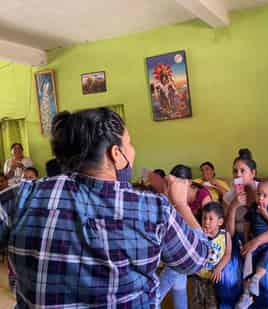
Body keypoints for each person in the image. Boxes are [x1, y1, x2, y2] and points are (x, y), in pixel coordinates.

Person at [0, 107, 210, 308]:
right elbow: (198, 259)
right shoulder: (152, 210)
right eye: (130, 143)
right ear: (116, 154)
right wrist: (181, 203)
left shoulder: (22, 197)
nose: (133, 151)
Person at [222, 149, 268, 309]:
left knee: (267, 281)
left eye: (242, 171)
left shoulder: (266, 191)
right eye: (234, 171)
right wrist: (233, 206)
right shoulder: (229, 195)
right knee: (227, 278)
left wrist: (256, 241)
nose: (237, 175)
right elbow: (228, 234)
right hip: (239, 240)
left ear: (253, 173)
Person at [158, 164, 211, 309]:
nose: (174, 188)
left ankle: (154, 298)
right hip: (184, 243)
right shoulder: (174, 197)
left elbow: (209, 228)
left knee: (174, 268)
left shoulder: (202, 196)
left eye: (178, 184)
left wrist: (180, 205)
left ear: (188, 182)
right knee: (178, 273)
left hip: (203, 244)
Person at [236, 181, 268, 309]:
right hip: (254, 241)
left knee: (266, 258)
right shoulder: (253, 207)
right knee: (247, 263)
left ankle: (257, 277)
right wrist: (247, 239)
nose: (261, 198)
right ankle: (246, 295)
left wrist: (265, 214)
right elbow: (247, 223)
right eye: (259, 194)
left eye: (265, 196)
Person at [190, 202, 232, 309]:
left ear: (220, 221)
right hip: (197, 275)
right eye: (204, 218)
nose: (206, 222)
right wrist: (202, 237)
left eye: (210, 219)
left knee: (212, 304)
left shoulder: (225, 236)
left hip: (213, 277)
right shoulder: (198, 234)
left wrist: (218, 268)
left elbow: (227, 254)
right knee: (196, 302)